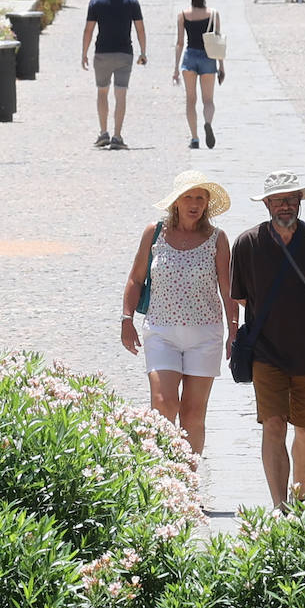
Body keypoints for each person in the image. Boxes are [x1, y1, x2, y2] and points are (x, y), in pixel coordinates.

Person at [231, 170, 305, 508]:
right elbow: (242, 298)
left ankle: (300, 491)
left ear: (300, 201)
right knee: (274, 425)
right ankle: (280, 506)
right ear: (266, 203)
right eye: (278, 199)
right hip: (267, 354)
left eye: (290, 199)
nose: (285, 205)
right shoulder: (248, 243)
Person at [121, 170, 236, 453]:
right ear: (176, 202)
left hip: (205, 334)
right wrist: (127, 319)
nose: (194, 203)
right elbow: (136, 278)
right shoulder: (154, 233)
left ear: (207, 203)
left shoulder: (217, 238)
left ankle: (189, 483)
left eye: (200, 198)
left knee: (193, 415)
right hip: (161, 331)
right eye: (188, 197)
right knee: (163, 404)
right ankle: (158, 474)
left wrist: (234, 331)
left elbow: (228, 288)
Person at [81, 0, 147, 151]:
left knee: (102, 92)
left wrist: (84, 53)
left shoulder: (95, 2)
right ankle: (117, 136)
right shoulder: (132, 1)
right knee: (121, 94)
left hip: (102, 53)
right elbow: (140, 29)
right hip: (124, 53)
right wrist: (143, 52)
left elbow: (88, 30)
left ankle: (103, 133)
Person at [172, 0, 225, 149]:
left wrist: (175, 69)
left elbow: (180, 42)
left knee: (190, 100)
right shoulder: (213, 14)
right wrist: (221, 66)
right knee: (208, 100)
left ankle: (194, 138)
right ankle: (207, 122)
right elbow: (217, 41)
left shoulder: (183, 15)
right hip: (208, 57)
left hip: (190, 57)